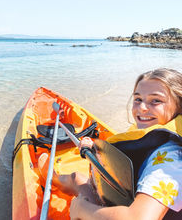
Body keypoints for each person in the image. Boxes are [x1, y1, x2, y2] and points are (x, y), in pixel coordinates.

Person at [39, 68, 182, 220]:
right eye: (138, 99)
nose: (142, 108)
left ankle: (53, 179)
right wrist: (94, 149)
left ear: (179, 106)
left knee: (78, 185)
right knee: (77, 179)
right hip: (126, 200)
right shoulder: (150, 132)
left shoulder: (170, 161)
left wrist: (82, 209)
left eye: (156, 101)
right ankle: (54, 179)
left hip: (127, 212)